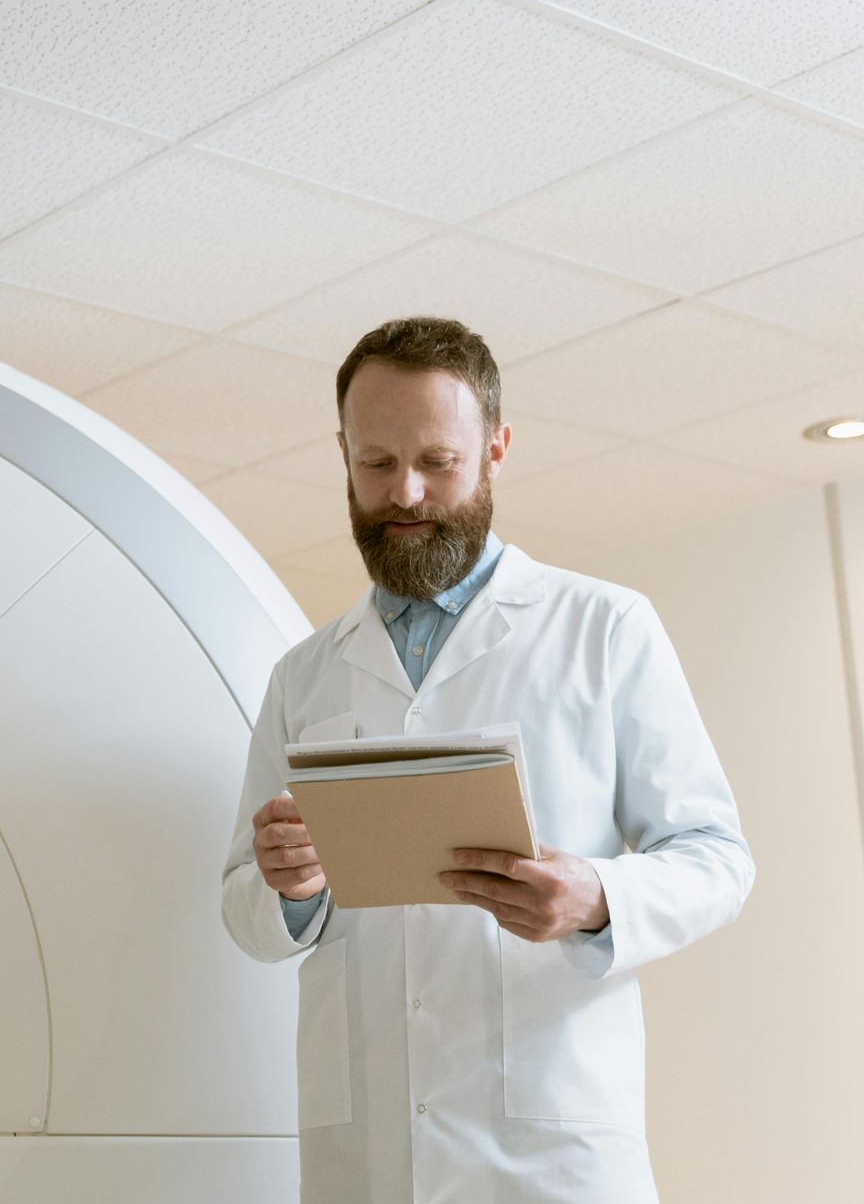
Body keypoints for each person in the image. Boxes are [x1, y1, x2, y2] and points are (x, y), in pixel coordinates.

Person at [220, 316, 753, 1202]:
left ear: (497, 449)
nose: (407, 492)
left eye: (439, 461)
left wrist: (596, 899)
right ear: (343, 453)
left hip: (551, 1149)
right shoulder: (303, 675)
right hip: (369, 1156)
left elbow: (718, 858)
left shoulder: (605, 629)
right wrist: (287, 888)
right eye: (376, 463)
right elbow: (244, 903)